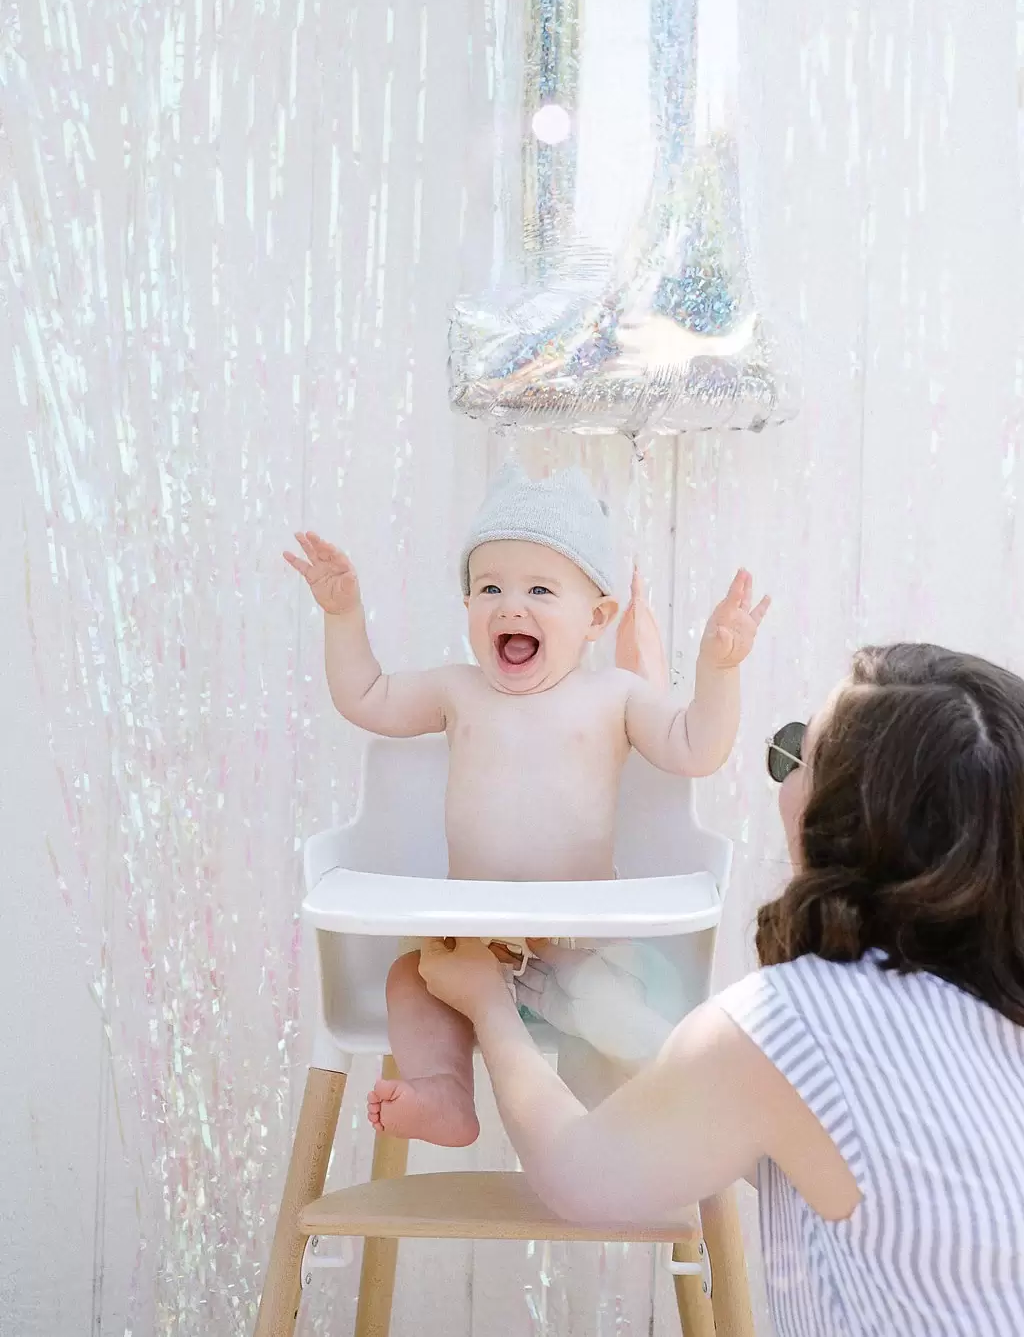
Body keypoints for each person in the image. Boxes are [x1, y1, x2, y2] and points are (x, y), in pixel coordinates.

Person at [419, 643, 1024, 1336]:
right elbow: (794, 1129)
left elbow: (578, 1176)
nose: (782, 780)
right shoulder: (990, 998)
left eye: (796, 755)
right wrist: (593, 1007)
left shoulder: (793, 1020)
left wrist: (488, 1005)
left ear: (846, 817)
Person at [283, 463, 769, 1145]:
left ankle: (608, 1137)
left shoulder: (616, 698)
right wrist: (342, 616)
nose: (511, 606)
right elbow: (365, 697)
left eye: (540, 588)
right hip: (469, 950)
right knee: (409, 984)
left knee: (609, 1021)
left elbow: (695, 746)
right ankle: (445, 1092)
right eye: (490, 588)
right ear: (469, 610)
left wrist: (720, 670)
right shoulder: (457, 691)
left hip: (579, 949)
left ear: (596, 617)